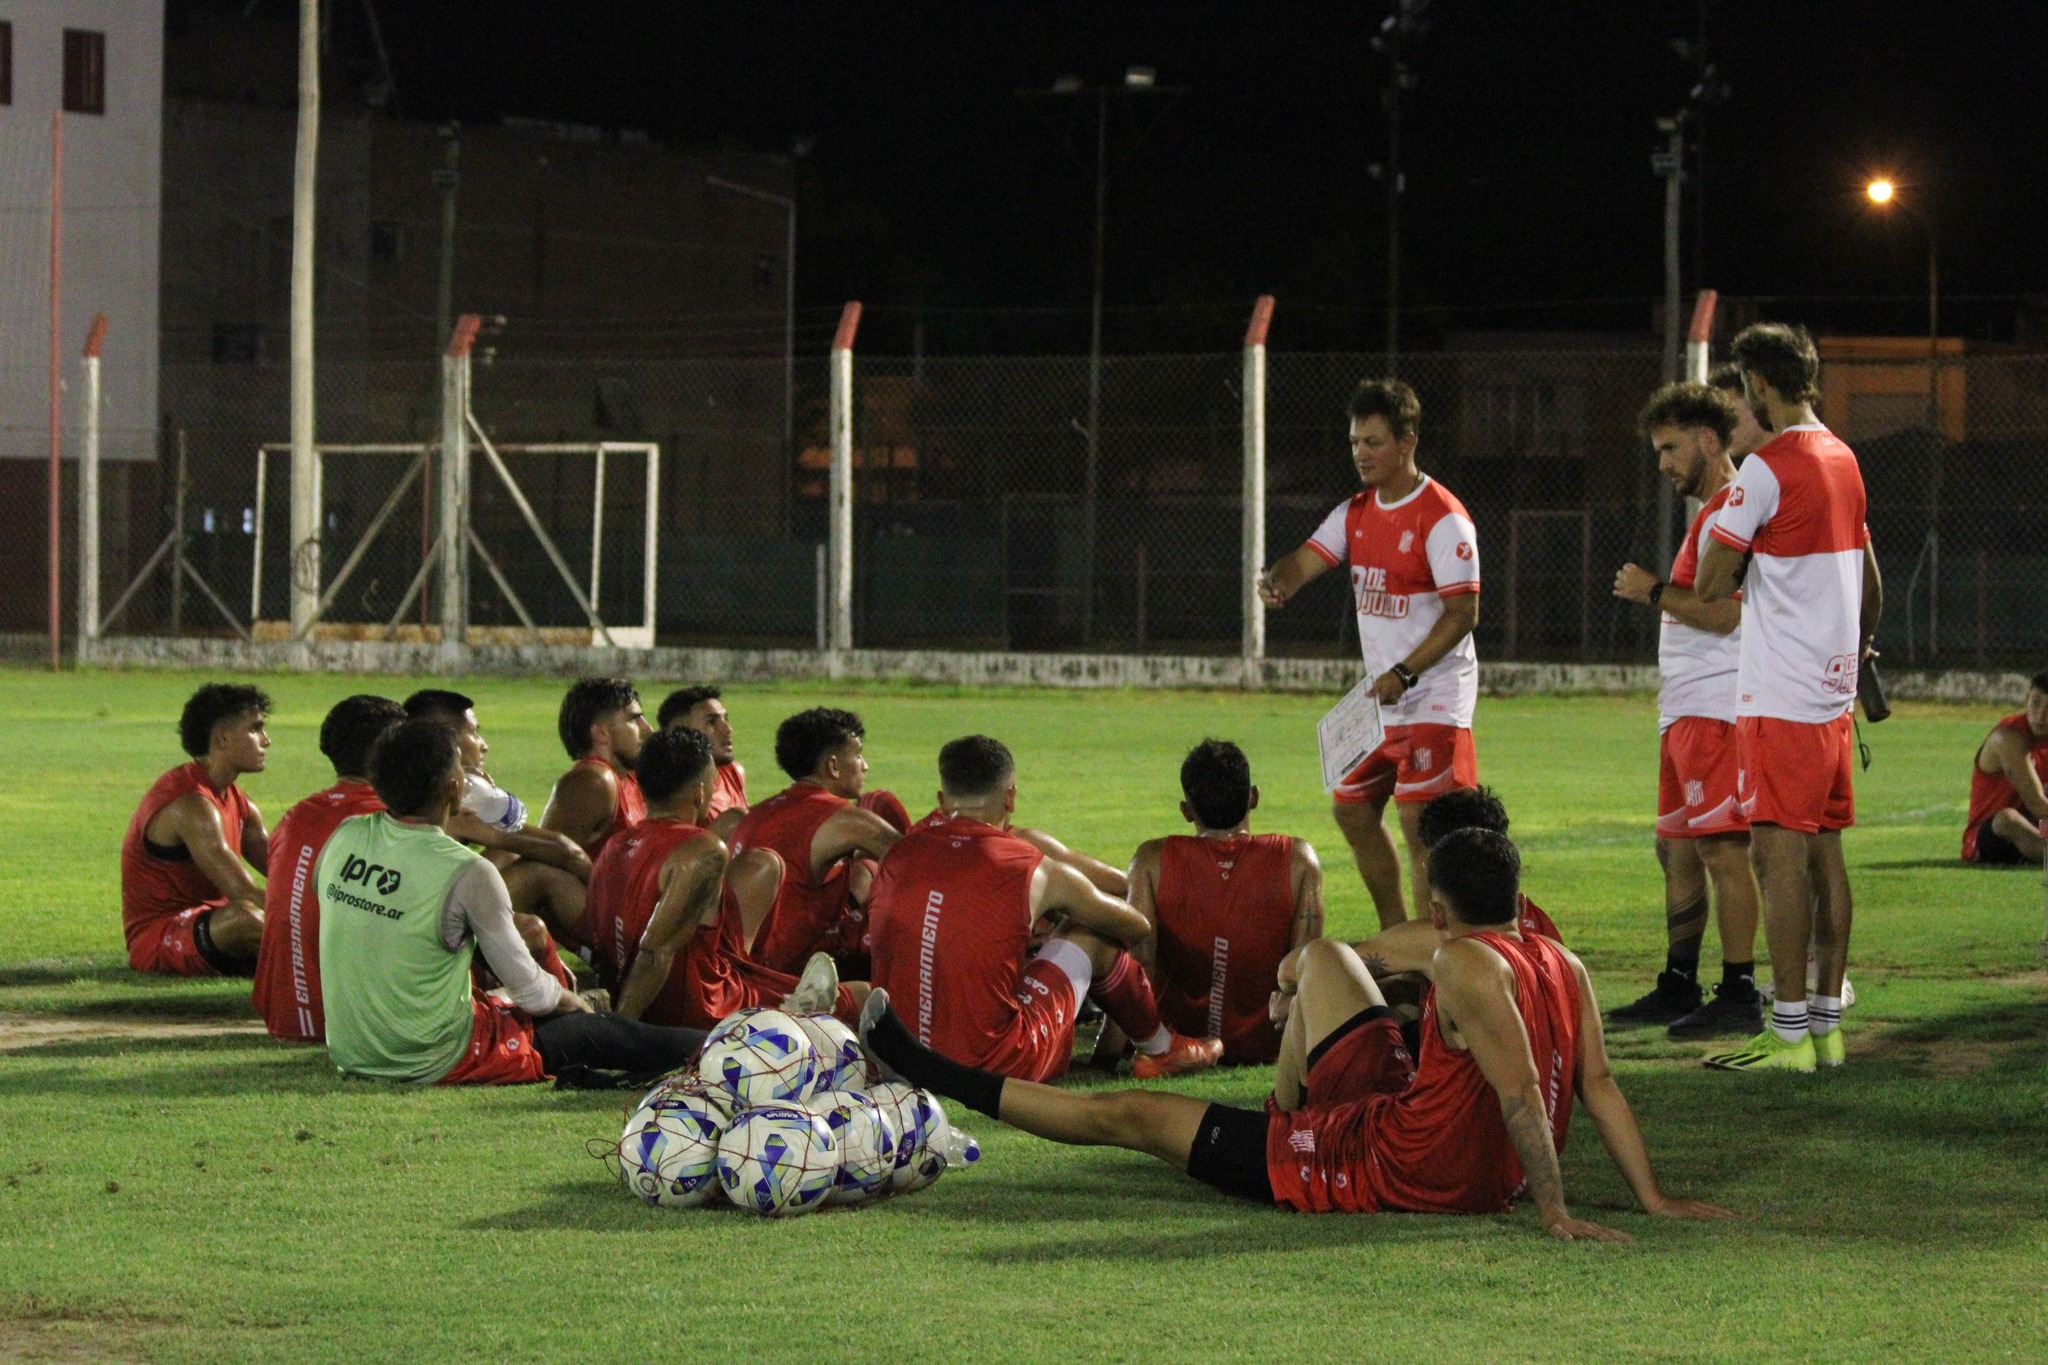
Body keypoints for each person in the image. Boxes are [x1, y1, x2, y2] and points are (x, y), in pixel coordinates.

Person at [859, 827, 1733, 1237]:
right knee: (1323, 959)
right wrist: (1652, 1198)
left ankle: (925, 1066)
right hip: (1425, 1131)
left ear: (1439, 908)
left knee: (1130, 1116)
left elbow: (1520, 1095)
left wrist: (1555, 1213)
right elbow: (1595, 1086)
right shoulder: (1560, 960)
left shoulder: (1465, 963)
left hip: (1394, 1165)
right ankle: (1286, 1111)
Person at [316, 718, 706, 1085]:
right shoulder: (467, 871)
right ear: (454, 787)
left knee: (507, 996)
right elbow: (533, 994)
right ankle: (720, 1048)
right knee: (599, 1032)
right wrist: (573, 1004)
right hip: (435, 1056)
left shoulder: (344, 836)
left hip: (353, 1050)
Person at [1695, 322, 1882, 1072]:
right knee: (1826, 856)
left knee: (1778, 860)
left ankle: (1791, 1032)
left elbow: (1711, 579)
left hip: (1780, 698)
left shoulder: (1766, 470)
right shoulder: (1844, 455)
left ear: (1762, 386)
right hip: (1832, 696)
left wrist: (1734, 525)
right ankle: (1828, 1025)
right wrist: (1855, 651)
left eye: (1744, 388)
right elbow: (1869, 577)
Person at [866, 735, 1222, 1082]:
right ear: (1011, 797)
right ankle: (1161, 1049)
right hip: (992, 1069)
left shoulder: (898, 854)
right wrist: (1063, 917)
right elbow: (1136, 925)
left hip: (899, 1059)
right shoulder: (1029, 864)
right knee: (1089, 931)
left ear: (942, 801)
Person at [1257, 378, 1481, 928]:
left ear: (1406, 443)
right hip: (1383, 699)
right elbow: (1302, 561)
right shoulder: (1355, 513)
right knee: (1352, 809)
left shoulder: (1443, 517)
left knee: (1420, 824)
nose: (1361, 453)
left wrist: (1405, 672)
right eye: (1356, 442)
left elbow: (1463, 614)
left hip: (1434, 695)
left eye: (1374, 442)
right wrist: (1278, 580)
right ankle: (1398, 932)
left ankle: (1436, 948)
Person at [1606, 381, 1765, 1039]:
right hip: (1685, 709)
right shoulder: (1712, 512)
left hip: (1716, 708)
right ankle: (1679, 983)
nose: (1663, 463)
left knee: (1724, 849)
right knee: (1675, 850)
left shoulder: (1734, 506)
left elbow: (1726, 614)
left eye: (1670, 448)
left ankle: (1740, 990)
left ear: (1707, 440)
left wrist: (1653, 591)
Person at [585, 728, 861, 1028]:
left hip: (633, 992)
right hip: (701, 1010)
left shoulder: (614, 846)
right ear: (700, 792)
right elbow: (655, 951)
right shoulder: (702, 850)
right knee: (860, 995)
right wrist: (619, 1032)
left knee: (763, 863)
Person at [1125, 739, 1322, 1065]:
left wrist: (1113, 1052)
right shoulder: (1299, 861)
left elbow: (1138, 964)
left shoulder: (1150, 861)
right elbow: (1304, 966)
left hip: (1176, 1041)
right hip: (1269, 1045)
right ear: (1253, 797)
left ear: (1186, 811)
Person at [252, 695, 405, 1041]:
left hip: (283, 1014)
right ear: (387, 754)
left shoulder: (296, 816)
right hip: (349, 1024)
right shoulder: (389, 820)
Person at [404, 689, 593, 945]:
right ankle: (613, 949)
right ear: (448, 742)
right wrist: (610, 900)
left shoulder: (403, 781)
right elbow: (564, 850)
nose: (484, 744)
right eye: (473, 732)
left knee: (508, 854)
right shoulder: (453, 798)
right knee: (540, 877)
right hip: (425, 931)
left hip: (394, 910)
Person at [730, 707, 904, 975]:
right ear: (833, 766)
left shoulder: (759, 812)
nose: (865, 765)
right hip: (781, 977)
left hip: (737, 961)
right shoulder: (845, 820)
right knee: (874, 990)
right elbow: (918, 865)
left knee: (865, 868)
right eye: (858, 755)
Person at [119, 683, 273, 976]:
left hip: (211, 924)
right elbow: (242, 891)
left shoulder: (240, 802)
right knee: (245, 918)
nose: (266, 741)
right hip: (160, 935)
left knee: (250, 917)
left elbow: (283, 869)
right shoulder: (189, 804)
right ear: (222, 738)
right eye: (255, 729)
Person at [539, 677, 651, 869]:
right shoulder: (594, 782)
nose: (647, 729)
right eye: (633, 719)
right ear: (601, 733)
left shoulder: (630, 777)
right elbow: (546, 865)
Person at [1960, 670, 2048, 866]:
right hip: (1991, 838)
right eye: (2036, 703)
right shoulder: (2008, 738)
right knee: (2007, 819)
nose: (2041, 715)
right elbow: (2036, 803)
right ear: (2026, 699)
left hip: (2036, 828)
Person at [658, 684, 750, 840]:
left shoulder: (734, 772)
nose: (727, 729)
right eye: (712, 722)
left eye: (725, 719)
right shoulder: (671, 788)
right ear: (681, 732)